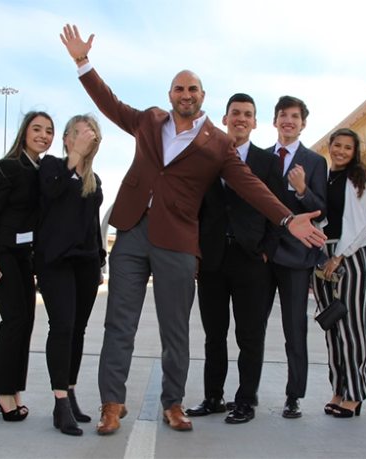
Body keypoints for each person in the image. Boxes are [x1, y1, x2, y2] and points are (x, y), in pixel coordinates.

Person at [60, 24, 326, 434]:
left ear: (203, 98)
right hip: (133, 231)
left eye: (194, 89)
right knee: (119, 323)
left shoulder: (218, 144)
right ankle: (112, 403)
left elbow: (251, 186)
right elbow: (110, 104)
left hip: (179, 240)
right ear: (170, 95)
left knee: (176, 329)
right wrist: (83, 62)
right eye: (179, 89)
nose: (186, 94)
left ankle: (174, 403)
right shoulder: (149, 120)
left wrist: (288, 218)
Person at [187, 93, 284, 424]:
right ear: (225, 119)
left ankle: (245, 400)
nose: (241, 118)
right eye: (235, 113)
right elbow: (196, 209)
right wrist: (196, 251)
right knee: (214, 334)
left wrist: (267, 250)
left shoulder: (269, 162)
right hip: (213, 258)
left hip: (251, 258)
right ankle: (213, 397)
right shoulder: (206, 157)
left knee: (250, 336)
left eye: (247, 114)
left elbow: (276, 208)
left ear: (255, 122)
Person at [0, 111, 55, 421]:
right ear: (24, 133)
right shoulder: (9, 166)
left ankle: (11, 387)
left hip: (24, 256)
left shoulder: (42, 170)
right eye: (37, 129)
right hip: (3, 253)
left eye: (49, 131)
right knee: (14, 319)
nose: (43, 135)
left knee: (26, 321)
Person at [34, 114, 107, 436]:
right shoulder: (52, 166)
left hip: (87, 263)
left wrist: (100, 261)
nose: (84, 138)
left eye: (89, 134)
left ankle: (71, 392)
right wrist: (74, 156)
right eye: (77, 134)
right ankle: (59, 402)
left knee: (78, 330)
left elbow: (93, 225)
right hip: (56, 261)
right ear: (66, 139)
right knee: (62, 327)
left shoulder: (94, 179)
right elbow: (51, 193)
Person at [264, 95, 327, 419]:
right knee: (251, 328)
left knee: (294, 329)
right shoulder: (259, 158)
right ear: (274, 121)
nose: (288, 120)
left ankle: (294, 395)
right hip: (262, 256)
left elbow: (322, 208)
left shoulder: (315, 162)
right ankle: (247, 393)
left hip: (297, 258)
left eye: (294, 116)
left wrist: (302, 190)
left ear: (303, 123)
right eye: (282, 115)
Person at [312, 128, 366, 418]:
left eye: (348, 148)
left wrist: (338, 256)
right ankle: (338, 389)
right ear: (330, 145)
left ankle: (356, 393)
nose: (341, 151)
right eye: (337, 145)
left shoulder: (359, 180)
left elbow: (362, 225)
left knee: (351, 326)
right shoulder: (323, 178)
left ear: (354, 152)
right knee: (332, 325)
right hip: (322, 255)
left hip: (349, 256)